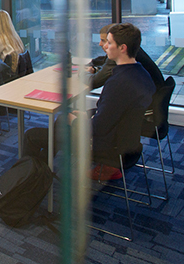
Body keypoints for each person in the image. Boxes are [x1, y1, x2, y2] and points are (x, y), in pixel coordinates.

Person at [23, 23, 155, 180]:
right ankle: (44, 170)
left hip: (106, 148)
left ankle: (30, 180)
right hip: (126, 143)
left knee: (31, 135)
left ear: (123, 48)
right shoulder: (142, 74)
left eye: (109, 42)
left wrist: (77, 120)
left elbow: (97, 129)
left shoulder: (118, 83)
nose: (105, 46)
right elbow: (114, 115)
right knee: (62, 121)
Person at [84, 23, 165, 90]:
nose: (101, 44)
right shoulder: (131, 49)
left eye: (106, 41)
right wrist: (95, 68)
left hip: (146, 102)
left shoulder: (122, 57)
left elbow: (94, 82)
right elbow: (105, 61)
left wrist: (82, 73)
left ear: (122, 47)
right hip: (150, 95)